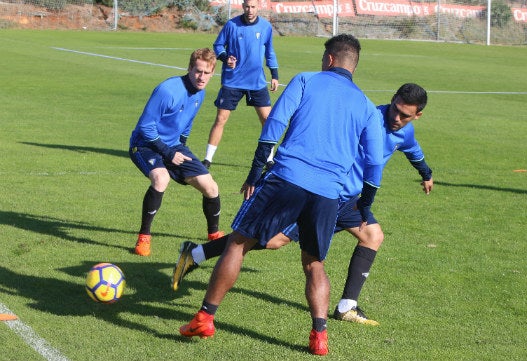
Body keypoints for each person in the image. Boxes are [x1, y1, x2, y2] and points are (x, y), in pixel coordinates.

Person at [178, 34, 384, 357]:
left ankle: (205, 317)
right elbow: (374, 166)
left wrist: (255, 173)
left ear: (329, 59)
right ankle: (319, 336)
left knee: (238, 242)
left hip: (287, 178)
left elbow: (273, 125)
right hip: (329, 194)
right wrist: (365, 205)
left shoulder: (305, 80)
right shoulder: (367, 107)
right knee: (314, 263)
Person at [172, 83, 433, 327]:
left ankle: (346, 306)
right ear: (392, 100)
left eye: (405, 116)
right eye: (395, 110)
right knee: (272, 240)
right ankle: (195, 254)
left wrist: (426, 173)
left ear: (417, 116)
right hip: (325, 195)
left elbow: (414, 151)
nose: (397, 118)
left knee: (373, 236)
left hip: (350, 201)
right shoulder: (369, 119)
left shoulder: (404, 132)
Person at [129, 48, 224, 257]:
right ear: (189, 68)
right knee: (161, 179)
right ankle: (144, 237)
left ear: (213, 73)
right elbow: (146, 127)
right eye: (198, 71)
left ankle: (214, 234)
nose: (202, 77)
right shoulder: (168, 90)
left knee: (210, 187)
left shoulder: (201, 92)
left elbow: (186, 124)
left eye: (207, 73)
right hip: (144, 144)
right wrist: (168, 153)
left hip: (173, 146)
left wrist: (180, 147)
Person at [203, 0, 279, 168]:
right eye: (247, 6)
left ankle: (269, 159)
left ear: (258, 7)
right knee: (221, 119)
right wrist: (225, 58)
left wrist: (274, 74)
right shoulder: (232, 25)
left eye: (253, 7)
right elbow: (218, 45)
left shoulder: (266, 27)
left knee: (267, 120)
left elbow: (270, 52)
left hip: (256, 82)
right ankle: (207, 159)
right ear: (242, 6)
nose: (249, 10)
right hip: (233, 80)